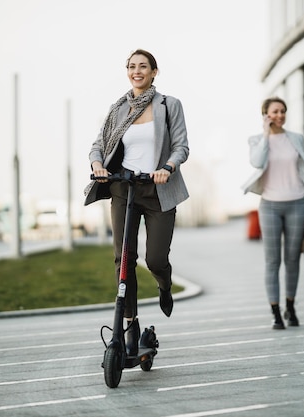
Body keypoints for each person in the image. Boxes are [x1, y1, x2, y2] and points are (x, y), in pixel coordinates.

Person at [85, 49, 190, 355]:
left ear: (154, 72)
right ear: (127, 71)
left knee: (155, 258)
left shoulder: (169, 105)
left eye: (143, 66)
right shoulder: (118, 109)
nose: (137, 71)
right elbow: (98, 145)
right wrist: (97, 165)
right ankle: (130, 324)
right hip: (123, 187)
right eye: (132, 66)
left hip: (158, 189)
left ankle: (164, 285)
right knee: (124, 260)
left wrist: (167, 168)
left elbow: (181, 146)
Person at [242, 97, 304, 330]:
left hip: (296, 204)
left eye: (283, 111)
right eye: (275, 111)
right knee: (272, 261)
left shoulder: (296, 138)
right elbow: (257, 162)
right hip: (270, 206)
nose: (280, 115)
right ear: (265, 114)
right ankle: (275, 312)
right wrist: (266, 134)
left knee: (292, 259)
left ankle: (291, 306)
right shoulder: (256, 140)